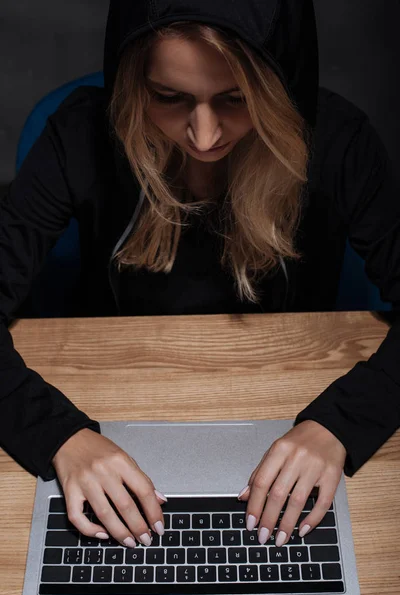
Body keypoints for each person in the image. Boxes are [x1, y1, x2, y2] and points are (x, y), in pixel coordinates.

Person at [0, 0, 399, 553]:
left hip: (287, 394)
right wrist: (60, 437)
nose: (205, 137)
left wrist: (339, 425)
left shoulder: (338, 141)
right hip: (119, 396)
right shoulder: (78, 134)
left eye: (237, 100)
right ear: (134, 81)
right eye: (169, 98)